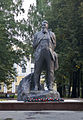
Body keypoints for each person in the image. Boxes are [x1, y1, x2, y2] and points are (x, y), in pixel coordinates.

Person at [33, 20, 58, 91]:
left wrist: (50, 49)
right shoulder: (37, 34)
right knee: (37, 70)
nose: (43, 26)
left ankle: (50, 85)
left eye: (45, 25)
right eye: (42, 25)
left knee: (50, 70)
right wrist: (40, 40)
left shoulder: (51, 34)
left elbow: (54, 44)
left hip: (48, 53)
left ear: (47, 25)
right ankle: (36, 86)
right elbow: (34, 45)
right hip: (39, 52)